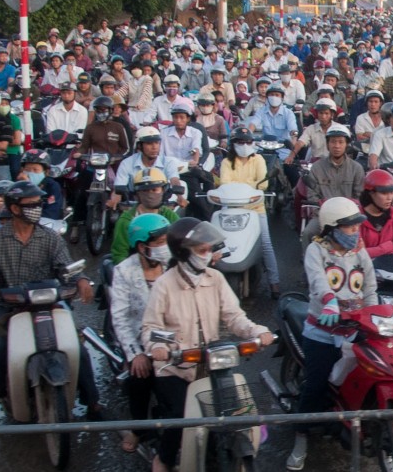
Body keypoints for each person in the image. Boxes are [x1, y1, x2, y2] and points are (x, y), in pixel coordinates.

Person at [143, 218, 274, 472]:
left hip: (213, 363)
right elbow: (150, 329)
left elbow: (234, 317)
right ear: (183, 252)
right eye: (202, 250)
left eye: (208, 249)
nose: (209, 255)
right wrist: (157, 348)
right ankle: (164, 459)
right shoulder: (164, 285)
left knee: (239, 412)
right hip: (176, 368)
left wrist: (257, 331)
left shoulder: (215, 278)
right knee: (181, 419)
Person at [0, 181, 102, 417]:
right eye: (30, 205)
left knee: (77, 347)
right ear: (14, 209)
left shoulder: (50, 238)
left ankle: (92, 401)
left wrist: (81, 280)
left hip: (47, 303)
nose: (37, 208)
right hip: (9, 306)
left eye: (38, 204)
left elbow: (67, 267)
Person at [286, 198, 376, 471]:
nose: (355, 232)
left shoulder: (360, 250)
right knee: (315, 386)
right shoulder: (317, 250)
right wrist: (329, 299)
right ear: (332, 228)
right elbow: (317, 280)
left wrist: (375, 314)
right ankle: (300, 436)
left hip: (355, 328)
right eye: (349, 228)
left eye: (356, 227)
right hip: (322, 331)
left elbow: (370, 285)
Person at [110, 213, 171, 454]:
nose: (164, 247)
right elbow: (120, 317)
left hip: (173, 336)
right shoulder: (124, 271)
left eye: (166, 241)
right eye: (158, 243)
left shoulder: (175, 264)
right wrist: (135, 354)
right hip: (138, 338)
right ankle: (138, 428)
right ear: (141, 245)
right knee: (140, 379)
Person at [219, 126, 281, 296]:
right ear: (234, 144)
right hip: (231, 209)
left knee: (266, 244)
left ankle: (274, 282)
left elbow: (263, 184)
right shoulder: (226, 162)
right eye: (240, 142)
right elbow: (224, 184)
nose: (245, 145)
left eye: (248, 142)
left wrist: (242, 187)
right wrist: (250, 186)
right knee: (219, 244)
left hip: (255, 208)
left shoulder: (259, 160)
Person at [301, 125, 366, 246]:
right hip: (323, 215)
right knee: (308, 233)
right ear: (327, 144)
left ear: (347, 144)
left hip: (349, 217)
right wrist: (322, 213)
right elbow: (312, 196)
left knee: (363, 237)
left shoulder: (356, 168)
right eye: (333, 142)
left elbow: (359, 196)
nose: (337, 146)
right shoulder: (317, 167)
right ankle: (308, 262)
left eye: (341, 142)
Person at [110, 168, 181, 264]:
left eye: (154, 189)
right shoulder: (126, 221)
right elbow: (119, 255)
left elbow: (182, 244)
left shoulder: (170, 216)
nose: (150, 194)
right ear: (137, 194)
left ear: (163, 191)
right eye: (145, 191)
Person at [359, 169, 393, 259]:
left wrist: (374, 252)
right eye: (384, 193)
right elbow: (358, 253)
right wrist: (387, 247)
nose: (389, 198)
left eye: (392, 192)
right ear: (371, 193)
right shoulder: (357, 217)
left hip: (390, 268)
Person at [18, 149, 63, 220]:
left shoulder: (52, 186)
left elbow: (53, 212)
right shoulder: (18, 186)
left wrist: (31, 189)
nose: (30, 172)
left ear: (46, 172)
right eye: (27, 169)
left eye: (35, 170)